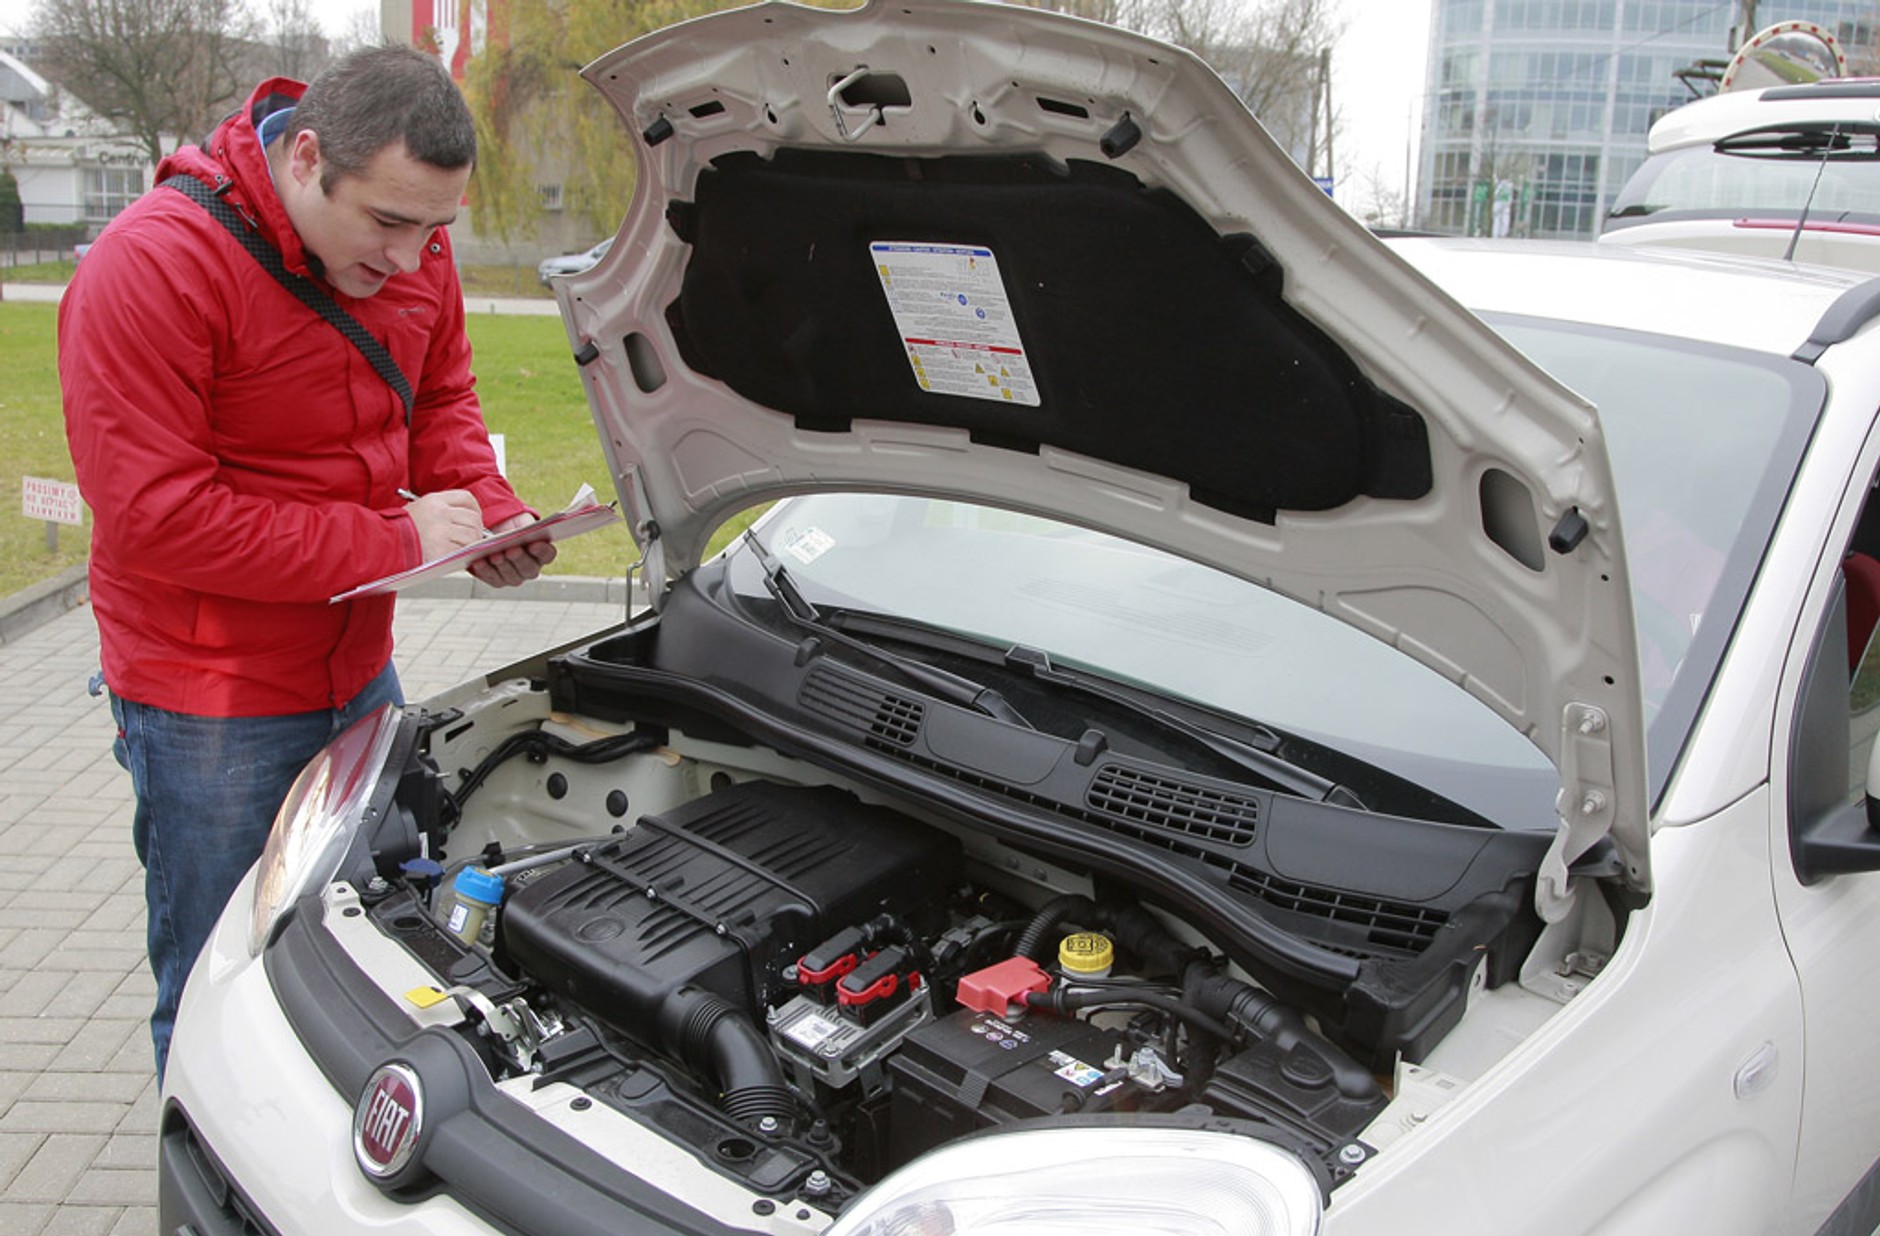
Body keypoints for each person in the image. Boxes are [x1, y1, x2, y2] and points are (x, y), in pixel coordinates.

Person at [58, 45, 554, 1079]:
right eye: (387, 224)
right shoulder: (151, 266)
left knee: (367, 952)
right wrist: (399, 541)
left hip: (356, 672)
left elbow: (442, 401)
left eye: (439, 231)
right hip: (209, 703)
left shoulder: (405, 239)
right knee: (218, 980)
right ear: (305, 159)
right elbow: (158, 517)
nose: (415, 260)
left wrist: (494, 517)